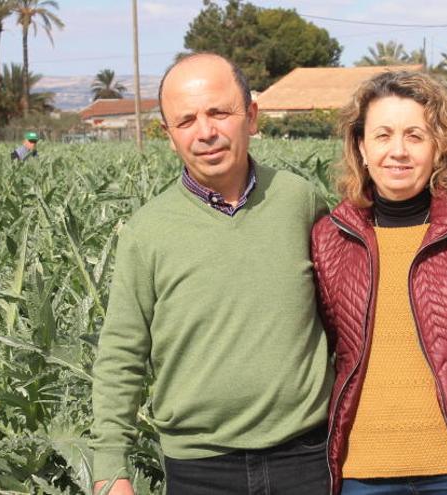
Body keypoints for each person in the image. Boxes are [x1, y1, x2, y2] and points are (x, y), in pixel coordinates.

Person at [90, 53, 334, 495]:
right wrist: (110, 467)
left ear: (252, 117)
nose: (205, 132)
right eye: (185, 121)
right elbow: (121, 353)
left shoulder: (301, 202)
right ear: (169, 136)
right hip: (199, 467)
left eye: (219, 112)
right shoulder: (146, 232)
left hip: (306, 458)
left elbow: (346, 317)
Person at [311, 71, 447, 495]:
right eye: (383, 135)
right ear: (361, 146)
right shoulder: (329, 238)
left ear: (438, 148)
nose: (398, 151)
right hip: (361, 474)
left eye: (415, 136)